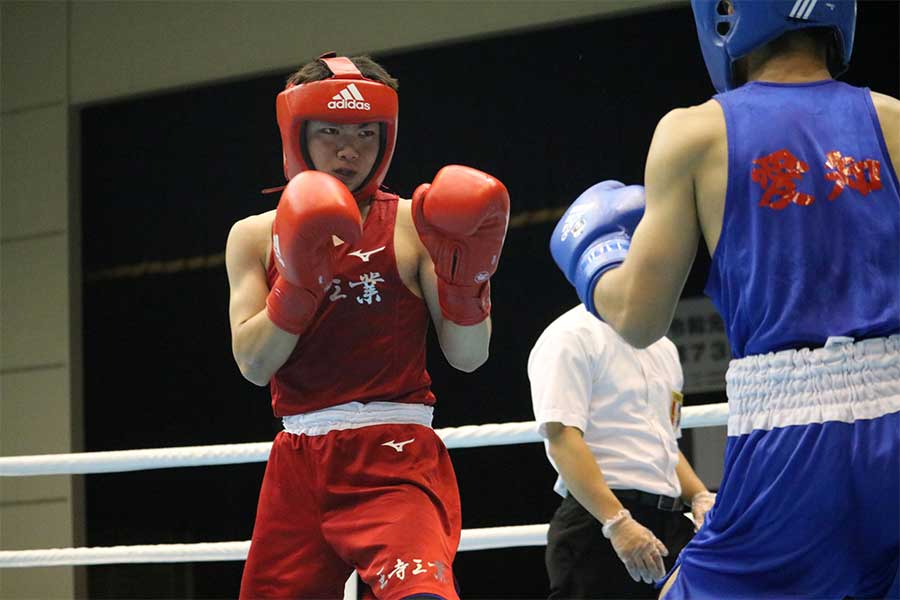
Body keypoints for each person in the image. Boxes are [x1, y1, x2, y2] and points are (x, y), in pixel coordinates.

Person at [550, 1, 900, 598]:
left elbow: (638, 318)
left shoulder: (695, 131)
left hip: (793, 437)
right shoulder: (892, 119)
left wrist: (594, 263)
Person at [226, 52, 510, 599]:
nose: (348, 149)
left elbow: (468, 356)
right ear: (297, 134)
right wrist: (298, 281)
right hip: (300, 460)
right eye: (330, 130)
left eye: (364, 133)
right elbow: (254, 365)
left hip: (394, 452)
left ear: (387, 139)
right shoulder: (254, 235)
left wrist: (467, 280)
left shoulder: (412, 224)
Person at [529, 286, 715, 598]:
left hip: (669, 523)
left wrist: (698, 495)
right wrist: (616, 522)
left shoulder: (664, 348)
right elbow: (561, 438)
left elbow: (665, 444)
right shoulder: (570, 335)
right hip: (598, 524)